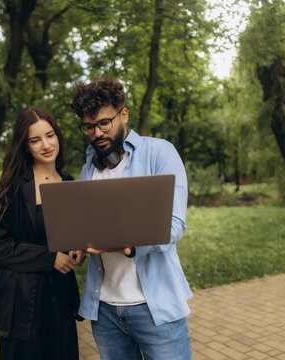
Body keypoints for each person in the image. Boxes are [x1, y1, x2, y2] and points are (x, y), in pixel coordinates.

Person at [70, 77, 192, 360]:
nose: (96, 133)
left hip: (155, 308)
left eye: (103, 123)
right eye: (88, 127)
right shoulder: (87, 168)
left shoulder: (160, 153)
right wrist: (78, 243)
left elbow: (174, 226)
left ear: (123, 114)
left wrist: (124, 243)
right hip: (104, 311)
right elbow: (88, 226)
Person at [0, 106, 83, 360]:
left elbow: (74, 233)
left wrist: (78, 250)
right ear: (25, 146)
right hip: (22, 301)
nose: (46, 145)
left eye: (50, 135)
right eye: (35, 140)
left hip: (60, 296)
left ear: (58, 135)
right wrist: (50, 258)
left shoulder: (69, 183)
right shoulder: (11, 187)